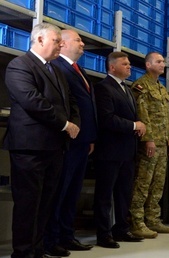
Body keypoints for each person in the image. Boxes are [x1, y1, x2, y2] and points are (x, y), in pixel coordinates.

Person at [3, 23, 80, 258]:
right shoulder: (19, 66)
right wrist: (66, 125)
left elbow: (71, 102)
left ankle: (37, 250)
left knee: (46, 202)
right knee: (28, 204)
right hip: (30, 147)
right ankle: (24, 253)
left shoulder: (55, 70)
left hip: (55, 147)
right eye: (56, 40)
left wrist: (74, 121)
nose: (60, 45)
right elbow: (33, 101)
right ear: (39, 40)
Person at [44, 29, 96, 256]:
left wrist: (90, 137)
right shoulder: (58, 68)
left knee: (73, 192)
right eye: (78, 40)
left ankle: (67, 236)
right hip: (67, 141)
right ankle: (52, 240)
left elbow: (85, 106)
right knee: (60, 192)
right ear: (63, 44)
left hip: (83, 142)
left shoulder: (78, 70)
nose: (83, 43)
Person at [93, 51, 146, 248]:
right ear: (112, 67)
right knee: (105, 195)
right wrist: (134, 125)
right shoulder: (103, 88)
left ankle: (122, 229)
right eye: (125, 64)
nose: (129, 67)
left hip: (127, 151)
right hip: (110, 151)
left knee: (124, 193)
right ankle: (103, 233)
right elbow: (107, 119)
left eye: (129, 64)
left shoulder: (127, 89)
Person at [129, 52, 169, 238]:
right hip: (150, 144)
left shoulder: (162, 88)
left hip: (162, 143)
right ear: (148, 65)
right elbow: (141, 113)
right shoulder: (141, 86)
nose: (163, 64)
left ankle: (153, 219)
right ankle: (137, 222)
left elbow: (166, 117)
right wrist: (148, 139)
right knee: (143, 183)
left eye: (163, 61)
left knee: (158, 184)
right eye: (159, 61)